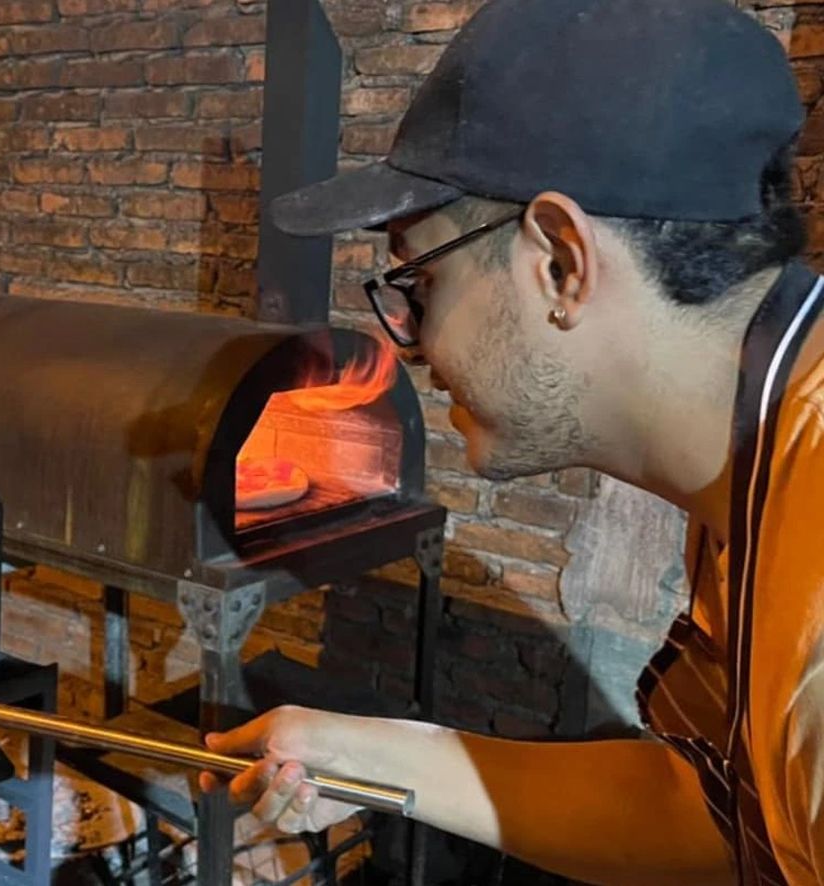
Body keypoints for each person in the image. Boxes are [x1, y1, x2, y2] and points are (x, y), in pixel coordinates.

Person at [200, 0, 824, 882]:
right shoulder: (755, 464)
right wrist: (373, 756)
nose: (406, 346)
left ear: (561, 262)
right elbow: (715, 808)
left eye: (418, 282)